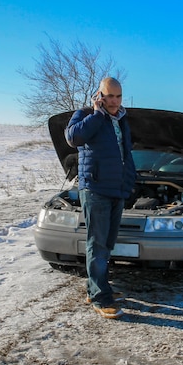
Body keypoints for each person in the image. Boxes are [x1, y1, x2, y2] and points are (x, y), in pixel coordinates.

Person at [65, 77, 136, 319]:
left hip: (117, 189)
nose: (114, 101)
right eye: (109, 96)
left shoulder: (122, 118)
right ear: (99, 95)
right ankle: (100, 297)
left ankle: (96, 288)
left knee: (107, 243)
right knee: (97, 244)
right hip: (95, 190)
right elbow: (73, 138)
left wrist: (130, 180)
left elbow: (126, 152)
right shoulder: (85, 115)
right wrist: (96, 114)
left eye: (118, 96)